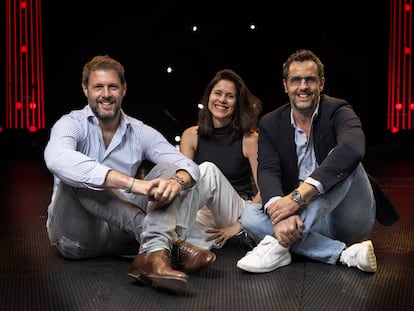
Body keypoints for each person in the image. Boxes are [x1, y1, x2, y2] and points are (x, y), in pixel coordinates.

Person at [43, 55, 216, 293]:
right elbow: (55, 158)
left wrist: (177, 182)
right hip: (76, 238)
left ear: (123, 89)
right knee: (75, 174)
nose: (106, 94)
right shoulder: (71, 123)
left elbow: (189, 166)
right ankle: (164, 246)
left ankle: (152, 254)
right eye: (98, 87)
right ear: (85, 89)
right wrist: (134, 184)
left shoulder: (139, 130)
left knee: (167, 171)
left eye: (113, 86)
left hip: (122, 237)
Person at [237, 49, 391, 274]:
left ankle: (279, 244)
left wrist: (297, 199)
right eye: (296, 80)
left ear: (321, 83)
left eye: (310, 80)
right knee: (249, 215)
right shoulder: (270, 122)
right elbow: (268, 169)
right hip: (301, 221)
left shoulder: (339, 110)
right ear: (285, 85)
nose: (303, 87)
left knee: (343, 161)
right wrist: (280, 212)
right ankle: (344, 254)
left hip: (348, 217)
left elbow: (353, 149)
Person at [179, 69, 262, 250]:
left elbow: (265, 189)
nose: (222, 100)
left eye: (230, 96)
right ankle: (193, 243)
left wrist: (240, 224)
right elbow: (184, 186)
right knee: (179, 236)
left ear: (237, 103)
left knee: (207, 170)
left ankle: (238, 233)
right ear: (208, 97)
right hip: (204, 211)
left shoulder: (249, 139)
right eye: (217, 93)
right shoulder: (191, 135)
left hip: (237, 209)